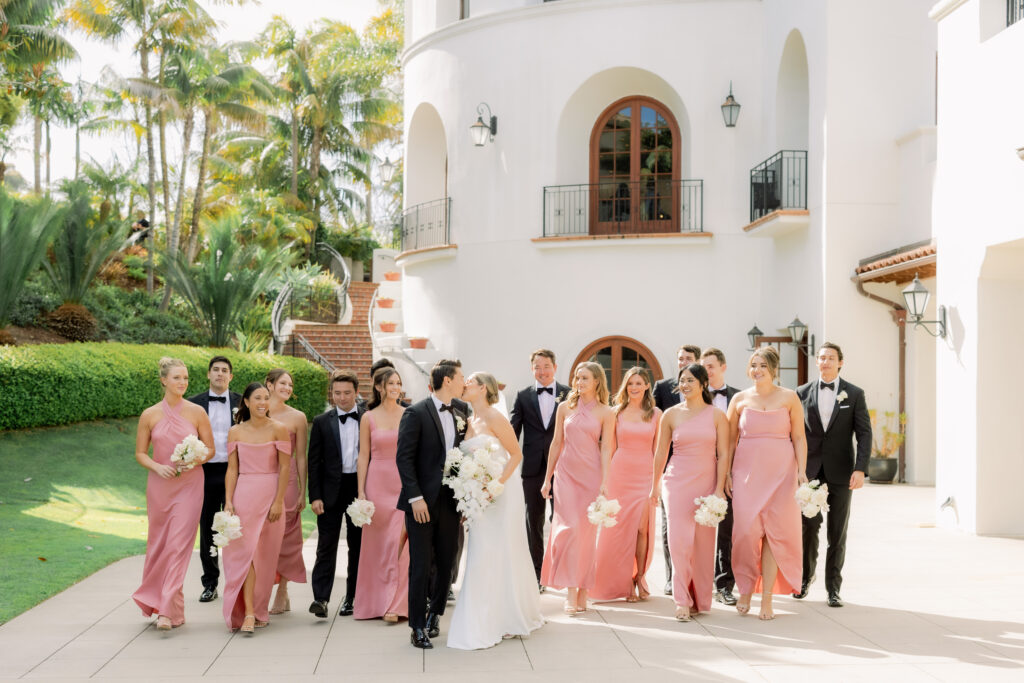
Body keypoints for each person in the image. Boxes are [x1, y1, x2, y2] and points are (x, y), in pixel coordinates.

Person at [447, 372, 544, 649]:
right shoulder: (468, 420)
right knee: (481, 552)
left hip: (500, 496)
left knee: (501, 550)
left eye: (470, 382)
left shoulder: (495, 417)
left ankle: (509, 616)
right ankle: (486, 613)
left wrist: (495, 486)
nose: (464, 384)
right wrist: (469, 493)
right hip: (477, 499)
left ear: (483, 389)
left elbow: (516, 454)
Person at [724, 347, 806, 620]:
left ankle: (766, 598)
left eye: (761, 365)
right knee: (745, 532)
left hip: (782, 474)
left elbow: (799, 437)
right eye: (753, 365)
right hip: (747, 473)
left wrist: (802, 472)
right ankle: (745, 587)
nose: (756, 370)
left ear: (773, 369)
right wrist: (725, 474)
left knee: (774, 534)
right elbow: (728, 442)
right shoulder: (739, 399)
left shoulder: (790, 398)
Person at [132, 357, 214, 630]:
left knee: (180, 545)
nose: (183, 383)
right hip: (159, 486)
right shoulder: (149, 414)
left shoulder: (197, 412)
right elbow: (140, 453)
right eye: (177, 377)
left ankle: (166, 611)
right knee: (159, 545)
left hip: (190, 485)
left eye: (186, 378)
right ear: (164, 380)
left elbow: (210, 449)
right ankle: (171, 608)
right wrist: (158, 467)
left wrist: (194, 459)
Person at [396, 359, 469, 649]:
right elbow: (404, 458)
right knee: (421, 564)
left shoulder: (463, 410)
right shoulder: (415, 413)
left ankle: (435, 615)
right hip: (421, 503)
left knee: (448, 560)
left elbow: (463, 456)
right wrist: (415, 498)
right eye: (461, 376)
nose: (464, 380)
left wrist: (466, 497)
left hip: (451, 502)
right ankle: (416, 626)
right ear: (447, 380)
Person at [794, 342, 871, 607]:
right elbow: (794, 433)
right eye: (822, 357)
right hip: (811, 473)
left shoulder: (854, 394)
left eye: (831, 358)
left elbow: (864, 433)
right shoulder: (801, 393)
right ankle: (805, 580)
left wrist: (860, 469)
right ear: (816, 362)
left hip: (842, 472)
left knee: (837, 532)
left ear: (840, 362)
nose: (826, 361)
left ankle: (833, 589)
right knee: (808, 528)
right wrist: (796, 468)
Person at [651, 364, 730, 621]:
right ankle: (681, 600)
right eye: (682, 381)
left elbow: (724, 454)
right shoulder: (671, 414)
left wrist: (719, 488)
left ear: (703, 383)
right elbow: (661, 453)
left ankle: (699, 599)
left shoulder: (717, 415)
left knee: (703, 544)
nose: (684, 385)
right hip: (676, 482)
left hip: (706, 482)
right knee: (678, 541)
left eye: (690, 381)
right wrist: (655, 485)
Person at [540, 361, 615, 615]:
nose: (579, 382)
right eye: (577, 378)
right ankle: (571, 592)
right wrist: (547, 477)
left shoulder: (607, 412)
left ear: (597, 381)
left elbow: (607, 448)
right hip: (566, 475)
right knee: (569, 529)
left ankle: (583, 591)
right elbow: (556, 443)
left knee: (585, 535)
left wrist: (605, 481)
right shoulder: (564, 407)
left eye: (584, 378)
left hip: (591, 475)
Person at [221, 383, 292, 633]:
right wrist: (229, 501)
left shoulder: (279, 429)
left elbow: (285, 468)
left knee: (265, 557)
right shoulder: (235, 432)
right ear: (247, 402)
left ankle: (259, 609)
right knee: (244, 554)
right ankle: (248, 612)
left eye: (266, 398)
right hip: (244, 495)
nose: (263, 402)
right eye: (257, 398)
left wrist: (278, 500)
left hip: (270, 494)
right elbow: (232, 469)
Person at [591, 367, 660, 603]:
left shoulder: (655, 414)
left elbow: (657, 451)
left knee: (641, 530)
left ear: (647, 386)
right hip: (620, 474)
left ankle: (638, 578)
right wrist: (604, 482)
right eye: (630, 384)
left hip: (645, 474)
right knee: (621, 530)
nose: (634, 388)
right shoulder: (615, 413)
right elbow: (608, 447)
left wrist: (656, 484)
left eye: (639, 383)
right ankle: (623, 584)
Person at [509, 349, 570, 589]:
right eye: (537, 367)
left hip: (563, 466)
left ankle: (559, 570)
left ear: (555, 367)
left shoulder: (569, 394)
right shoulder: (523, 396)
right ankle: (537, 575)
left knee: (561, 519)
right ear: (531, 369)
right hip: (532, 468)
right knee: (533, 521)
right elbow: (513, 430)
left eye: (546, 366)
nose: (542, 371)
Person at [307, 371, 365, 619]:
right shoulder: (322, 421)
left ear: (356, 393)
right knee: (325, 547)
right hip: (329, 491)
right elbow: (314, 462)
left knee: (358, 546)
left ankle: (352, 598)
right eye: (337, 393)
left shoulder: (368, 419)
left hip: (358, 488)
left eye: (347, 393)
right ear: (332, 393)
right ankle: (321, 598)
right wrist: (315, 496)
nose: (342, 398)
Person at [353, 367, 409, 622]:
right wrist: (361, 491)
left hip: (402, 483)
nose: (395, 387)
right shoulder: (368, 417)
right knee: (377, 546)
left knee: (399, 542)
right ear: (379, 387)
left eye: (398, 383)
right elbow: (363, 456)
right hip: (377, 483)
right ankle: (376, 603)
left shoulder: (409, 414)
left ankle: (396, 604)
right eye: (391, 383)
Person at [651, 344, 700, 595]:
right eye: (680, 358)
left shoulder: (705, 391)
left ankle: (698, 578)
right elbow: (652, 422)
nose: (682, 362)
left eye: (688, 359)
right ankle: (672, 577)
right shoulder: (662, 387)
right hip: (673, 468)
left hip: (701, 467)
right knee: (670, 524)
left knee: (699, 526)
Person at [264, 369, 309, 615]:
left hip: (289, 478)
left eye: (290, 384)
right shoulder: (256, 411)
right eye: (282, 383)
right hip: (261, 477)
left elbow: (301, 456)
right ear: (269, 385)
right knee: (264, 534)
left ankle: (282, 590)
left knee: (288, 535)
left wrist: (303, 490)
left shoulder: (298, 417)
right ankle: (262, 588)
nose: (287, 388)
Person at [700, 348, 741, 606]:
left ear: (723, 367)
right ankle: (698, 582)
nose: (707, 371)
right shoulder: (694, 396)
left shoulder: (739, 397)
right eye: (704, 367)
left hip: (732, 469)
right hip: (699, 466)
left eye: (711, 366)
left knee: (728, 528)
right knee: (699, 527)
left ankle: (725, 584)